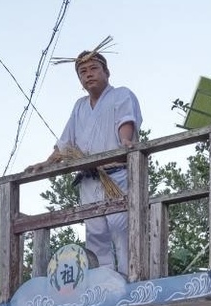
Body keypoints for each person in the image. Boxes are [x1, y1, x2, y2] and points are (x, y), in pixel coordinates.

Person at [26, 45, 142, 276]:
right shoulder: (79, 106)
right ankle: (102, 280)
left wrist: (126, 141)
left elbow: (125, 121)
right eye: (83, 72)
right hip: (89, 179)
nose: (88, 74)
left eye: (94, 68)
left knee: (121, 226)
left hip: (116, 173)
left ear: (106, 72)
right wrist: (47, 163)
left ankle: (130, 276)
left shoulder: (121, 94)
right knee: (95, 231)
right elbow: (66, 144)